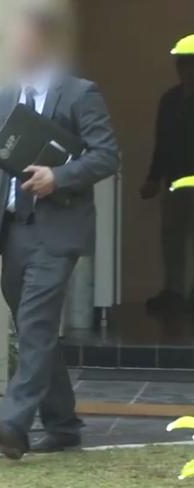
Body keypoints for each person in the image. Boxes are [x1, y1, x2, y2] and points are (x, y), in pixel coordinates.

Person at [0, 5, 119, 459]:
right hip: (14, 233)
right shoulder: (2, 97)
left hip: (58, 230)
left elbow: (107, 156)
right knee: (35, 331)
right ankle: (63, 427)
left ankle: (13, 423)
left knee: (34, 324)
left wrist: (58, 177)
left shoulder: (81, 94)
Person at [141, 34, 194, 314]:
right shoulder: (170, 100)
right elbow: (162, 143)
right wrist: (153, 177)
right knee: (172, 236)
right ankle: (173, 290)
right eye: (183, 65)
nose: (187, 71)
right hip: (175, 181)